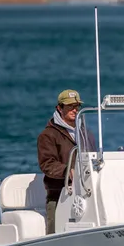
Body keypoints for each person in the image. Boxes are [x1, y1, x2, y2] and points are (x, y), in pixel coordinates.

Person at [37, 89, 83, 234]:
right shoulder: (48, 135)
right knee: (55, 235)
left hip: (84, 194)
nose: (74, 110)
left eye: (76, 106)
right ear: (59, 108)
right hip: (58, 196)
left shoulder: (85, 133)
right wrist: (67, 171)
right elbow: (47, 164)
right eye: (70, 106)